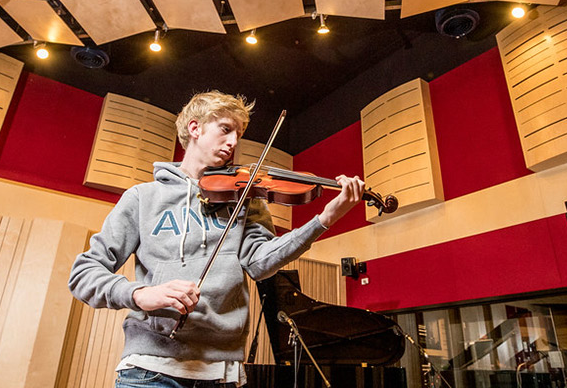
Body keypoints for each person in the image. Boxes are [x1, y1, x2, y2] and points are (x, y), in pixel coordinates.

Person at [68, 91, 365, 388]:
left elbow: (260, 264)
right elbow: (84, 274)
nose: (234, 142)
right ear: (195, 128)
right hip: (150, 369)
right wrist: (140, 294)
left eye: (238, 134)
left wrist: (324, 219)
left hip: (221, 374)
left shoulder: (245, 198)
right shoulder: (143, 198)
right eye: (225, 129)